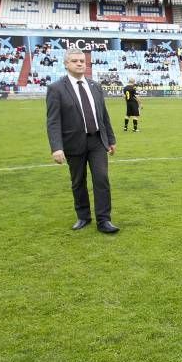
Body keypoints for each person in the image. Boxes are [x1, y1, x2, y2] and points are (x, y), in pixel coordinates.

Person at [46, 48, 119, 234]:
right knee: (78, 181)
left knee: (101, 179)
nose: (80, 63)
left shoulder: (95, 86)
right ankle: (83, 216)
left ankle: (104, 220)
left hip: (97, 142)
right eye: (75, 61)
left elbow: (104, 116)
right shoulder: (56, 89)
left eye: (82, 61)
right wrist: (56, 147)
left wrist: (110, 139)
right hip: (73, 143)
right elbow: (53, 121)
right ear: (66, 64)